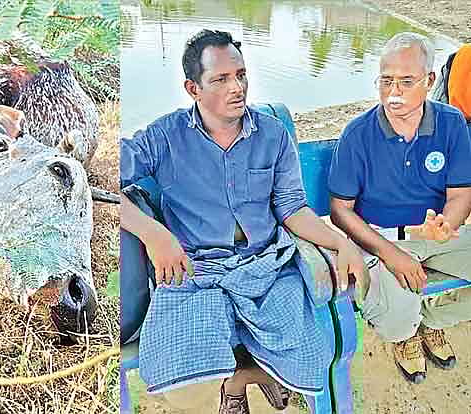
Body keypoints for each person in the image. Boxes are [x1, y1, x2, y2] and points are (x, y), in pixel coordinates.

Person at [121, 29, 366, 413]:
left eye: (241, 75)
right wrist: (153, 233)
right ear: (193, 88)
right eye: (220, 79)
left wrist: (342, 243)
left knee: (311, 358)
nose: (237, 87)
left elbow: (293, 209)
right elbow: (103, 182)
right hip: (197, 273)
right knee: (182, 386)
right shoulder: (164, 137)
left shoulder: (272, 136)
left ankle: (238, 382)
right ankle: (242, 381)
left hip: (268, 267)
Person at [329, 32, 471, 385]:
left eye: (407, 82)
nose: (394, 92)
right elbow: (340, 210)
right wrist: (390, 253)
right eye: (386, 80)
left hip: (437, 236)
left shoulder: (451, 123)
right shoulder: (358, 134)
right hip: (382, 238)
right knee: (396, 318)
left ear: (430, 80)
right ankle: (405, 336)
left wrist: (447, 224)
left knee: (413, 305)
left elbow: (460, 194)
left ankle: (432, 322)